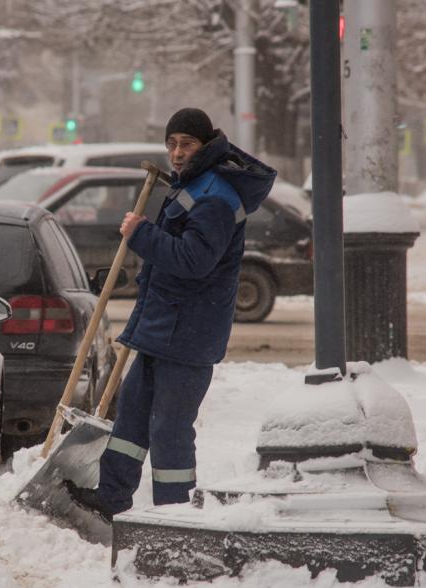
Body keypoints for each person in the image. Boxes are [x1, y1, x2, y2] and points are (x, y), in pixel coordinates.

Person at [64, 108, 276, 520]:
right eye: (172, 144)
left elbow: (194, 260)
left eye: (187, 144)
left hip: (189, 337)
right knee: (131, 418)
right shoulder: (192, 185)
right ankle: (112, 499)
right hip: (162, 328)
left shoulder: (216, 196)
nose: (177, 153)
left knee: (169, 431)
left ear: (206, 145)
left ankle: (175, 514)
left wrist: (141, 233)